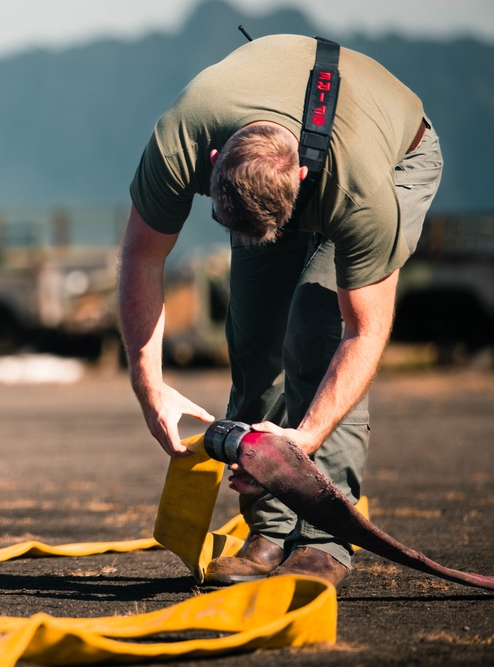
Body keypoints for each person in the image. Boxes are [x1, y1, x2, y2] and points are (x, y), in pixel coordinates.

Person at [119, 34, 443, 587]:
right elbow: (143, 256)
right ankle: (269, 528)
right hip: (275, 164)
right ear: (215, 162)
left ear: (297, 184)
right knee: (255, 336)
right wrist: (149, 387)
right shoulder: (183, 138)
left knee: (314, 328)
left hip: (396, 159)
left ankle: (323, 539)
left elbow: (362, 331)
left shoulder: (357, 191)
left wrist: (306, 439)